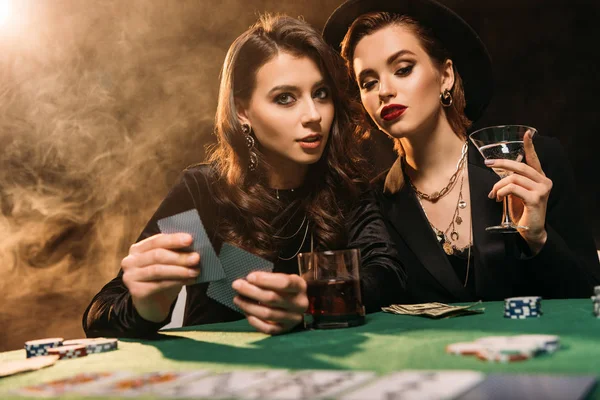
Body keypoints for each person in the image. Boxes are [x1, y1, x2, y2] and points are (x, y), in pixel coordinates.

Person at [83, 14, 406, 338]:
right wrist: (148, 306)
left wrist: (311, 299)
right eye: (285, 98)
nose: (312, 115)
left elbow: (387, 276)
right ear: (243, 112)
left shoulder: (346, 190)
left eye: (320, 94)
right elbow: (100, 314)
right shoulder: (207, 194)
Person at [322, 0, 600, 303]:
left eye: (403, 69)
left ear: (446, 76)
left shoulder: (531, 164)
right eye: (368, 82)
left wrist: (538, 239)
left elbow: (590, 299)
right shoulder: (373, 204)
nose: (384, 90)